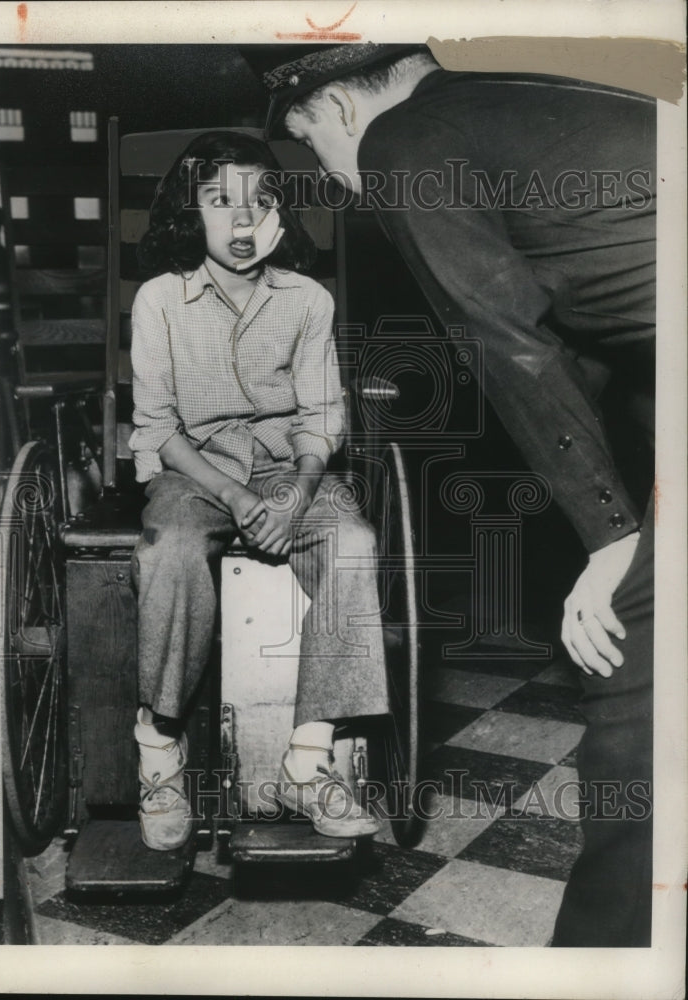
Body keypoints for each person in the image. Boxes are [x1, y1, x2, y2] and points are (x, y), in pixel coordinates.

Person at [251, 42, 655, 946]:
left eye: (309, 150)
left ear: (333, 112)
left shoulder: (399, 146)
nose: (335, 180)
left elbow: (505, 340)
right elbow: (588, 329)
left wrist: (611, 534)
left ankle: (603, 962)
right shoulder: (524, 98)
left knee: (633, 661)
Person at [128, 130, 388, 852]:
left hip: (286, 470)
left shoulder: (306, 299)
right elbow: (160, 428)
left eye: (260, 202)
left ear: (280, 214)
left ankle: (310, 756)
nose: (242, 224)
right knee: (171, 546)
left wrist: (297, 492)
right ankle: (159, 746)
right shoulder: (160, 301)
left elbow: (320, 417)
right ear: (189, 213)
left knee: (353, 543)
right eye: (219, 202)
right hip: (196, 469)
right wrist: (240, 501)